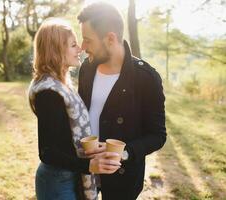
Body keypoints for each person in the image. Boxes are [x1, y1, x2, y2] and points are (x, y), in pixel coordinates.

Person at [77, 2, 167, 200]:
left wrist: (123, 153)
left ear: (110, 38)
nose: (83, 48)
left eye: (88, 40)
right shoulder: (87, 68)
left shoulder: (146, 77)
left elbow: (157, 135)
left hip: (123, 178)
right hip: (84, 169)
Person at [28, 18, 121, 200]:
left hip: (69, 176)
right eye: (73, 45)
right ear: (56, 50)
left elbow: (65, 138)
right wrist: (89, 166)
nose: (80, 49)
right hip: (57, 183)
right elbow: (47, 152)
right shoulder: (48, 92)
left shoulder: (61, 85)